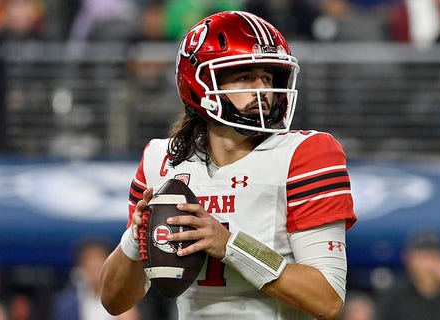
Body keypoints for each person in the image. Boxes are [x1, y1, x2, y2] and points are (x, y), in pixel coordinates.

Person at [100, 10, 357, 320]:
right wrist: (134, 237)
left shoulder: (304, 155)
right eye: (245, 77)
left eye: (267, 77)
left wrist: (231, 245)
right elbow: (114, 301)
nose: (262, 90)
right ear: (201, 83)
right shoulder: (161, 160)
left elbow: (327, 299)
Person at [377, 231, 440, 320]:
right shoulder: (395, 298)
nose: (427, 264)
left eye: (433, 257)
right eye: (421, 257)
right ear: (407, 259)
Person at [53, 239, 140, 320]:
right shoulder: (65, 303)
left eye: (99, 260)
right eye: (88, 261)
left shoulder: (130, 298)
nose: (94, 265)